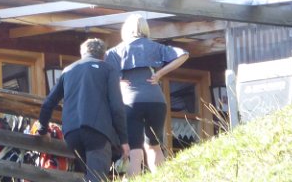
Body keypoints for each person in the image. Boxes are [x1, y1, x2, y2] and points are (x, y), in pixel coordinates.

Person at [107, 13, 190, 176]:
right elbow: (183, 54)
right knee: (154, 146)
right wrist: (160, 74)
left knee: (135, 149)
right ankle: (162, 178)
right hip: (156, 101)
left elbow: (102, 72)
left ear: (126, 29)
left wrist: (117, 81)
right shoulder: (155, 47)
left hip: (131, 102)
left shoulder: (116, 51)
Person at [37, 38, 130, 182]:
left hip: (71, 133)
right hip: (98, 131)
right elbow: (117, 107)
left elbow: (48, 103)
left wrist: (43, 129)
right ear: (104, 55)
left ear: (82, 54)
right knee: (97, 177)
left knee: (89, 175)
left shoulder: (67, 71)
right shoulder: (108, 69)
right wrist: (124, 140)